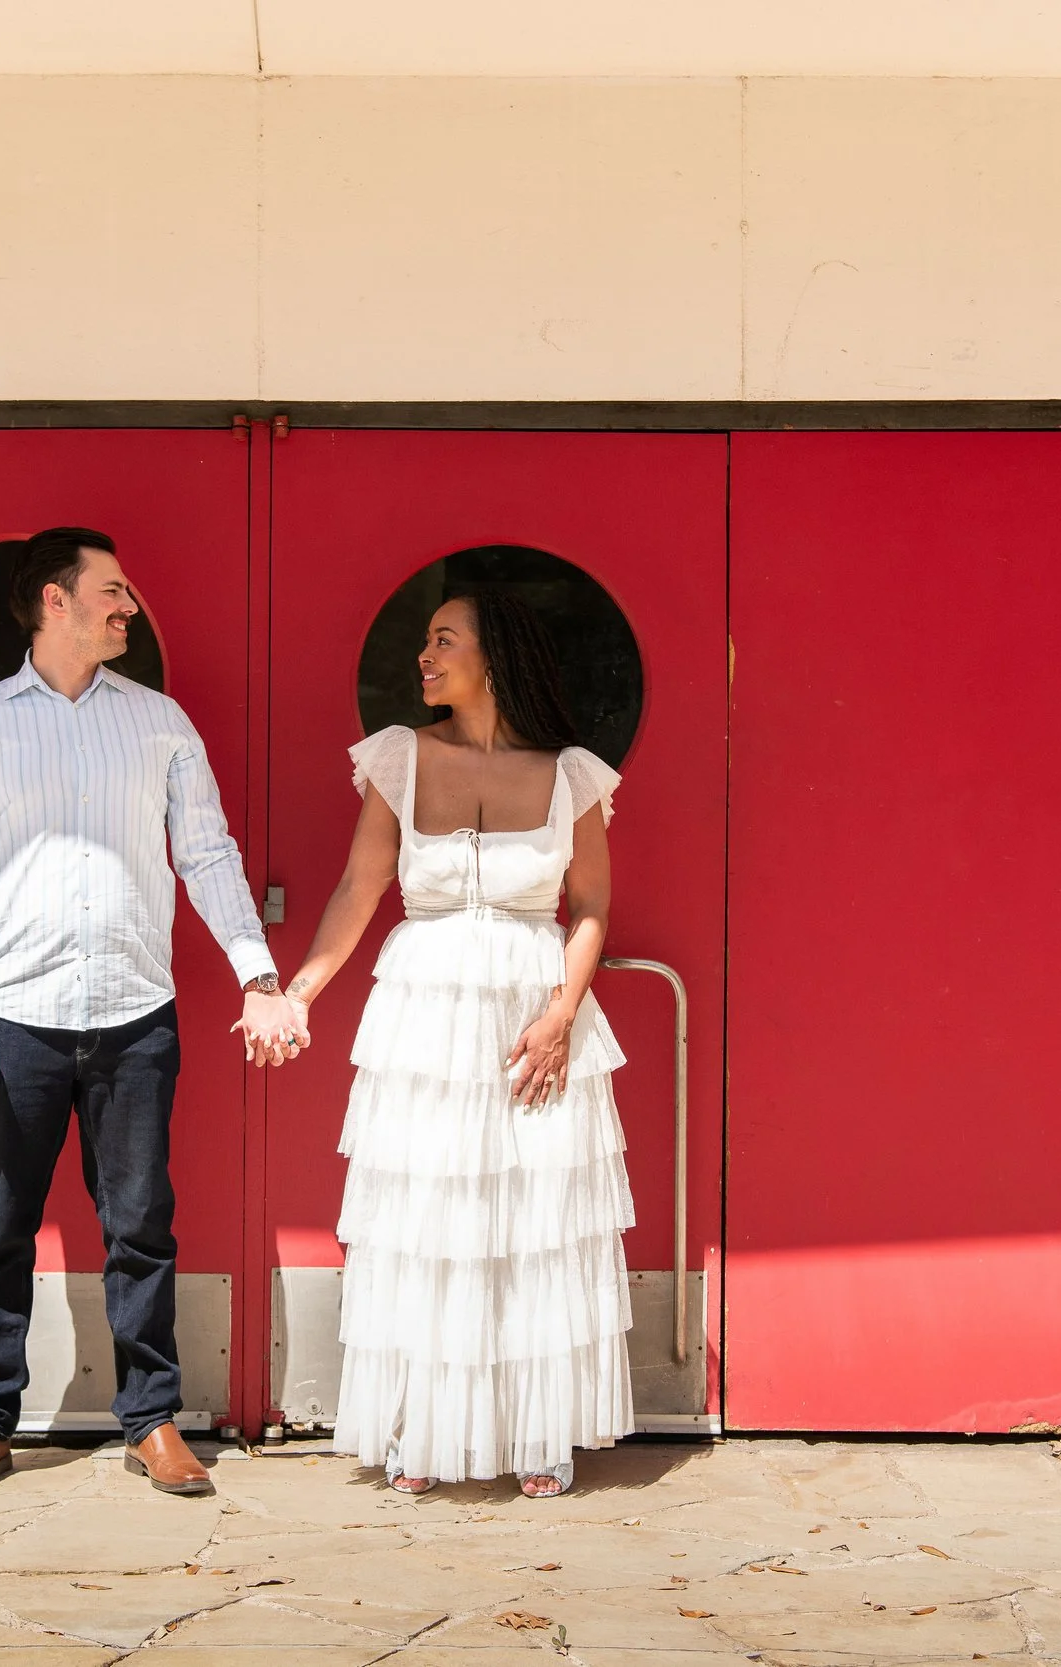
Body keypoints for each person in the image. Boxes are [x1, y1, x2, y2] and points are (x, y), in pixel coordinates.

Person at [0, 526, 303, 1501]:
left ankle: (151, 1418)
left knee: (140, 1222)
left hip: (135, 1014)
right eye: (112, 592)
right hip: (14, 1016)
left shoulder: (159, 721)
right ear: (56, 601)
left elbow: (206, 853)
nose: (127, 608)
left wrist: (256, 972)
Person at [280, 589, 633, 1497]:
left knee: (532, 1219)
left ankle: (536, 1427)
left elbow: (590, 906)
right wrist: (301, 992)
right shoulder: (399, 758)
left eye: (444, 639)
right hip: (425, 1013)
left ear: (495, 656)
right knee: (430, 1220)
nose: (424, 655)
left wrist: (562, 1014)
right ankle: (424, 1426)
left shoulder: (571, 775)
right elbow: (360, 890)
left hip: (533, 1010)